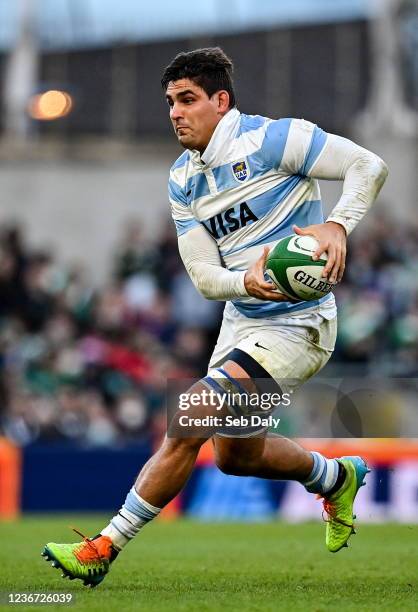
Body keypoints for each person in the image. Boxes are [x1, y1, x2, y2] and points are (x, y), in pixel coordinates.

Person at [42, 47, 388, 587]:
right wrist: (243, 282)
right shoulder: (183, 178)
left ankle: (102, 547)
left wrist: (338, 224)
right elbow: (205, 276)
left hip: (300, 324)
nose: (175, 112)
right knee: (235, 456)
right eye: (170, 102)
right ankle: (334, 475)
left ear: (220, 101)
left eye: (187, 100)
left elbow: (368, 164)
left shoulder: (276, 139)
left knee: (189, 419)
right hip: (241, 321)